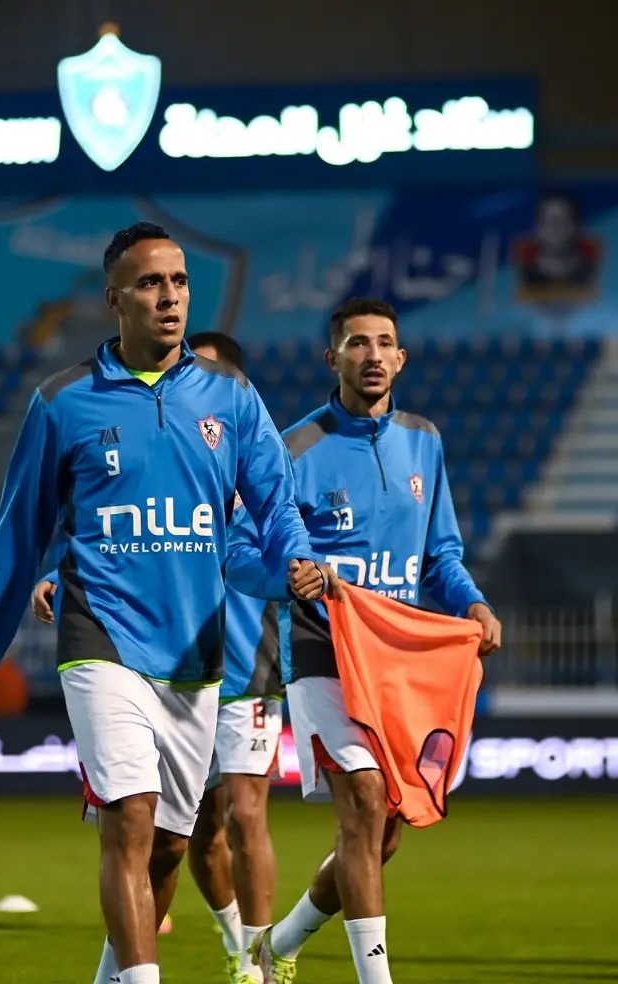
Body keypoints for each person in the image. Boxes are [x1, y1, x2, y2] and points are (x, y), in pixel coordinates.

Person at [0, 222, 336, 984]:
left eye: (180, 282)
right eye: (152, 283)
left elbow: (276, 505)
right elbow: (16, 541)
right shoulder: (63, 404)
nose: (170, 297)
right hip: (102, 637)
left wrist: (295, 560)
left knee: (169, 843)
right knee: (128, 820)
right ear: (114, 297)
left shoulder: (230, 396)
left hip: (195, 655)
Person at [223, 297, 502, 984]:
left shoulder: (424, 441)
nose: (372, 354)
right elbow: (235, 552)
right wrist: (289, 579)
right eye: (357, 343)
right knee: (366, 800)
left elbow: (440, 555)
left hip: (395, 658)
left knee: (384, 833)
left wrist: (473, 602)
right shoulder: (293, 449)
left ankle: (278, 944)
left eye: (384, 343)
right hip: (321, 649)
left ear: (401, 357)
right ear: (333, 358)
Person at [32, 330, 286, 984]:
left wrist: (298, 573)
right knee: (181, 839)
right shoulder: (153, 452)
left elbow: (275, 555)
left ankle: (259, 965)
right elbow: (115, 535)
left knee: (245, 811)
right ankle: (222, 944)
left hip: (243, 669)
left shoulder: (260, 466)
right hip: (152, 667)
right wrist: (65, 577)